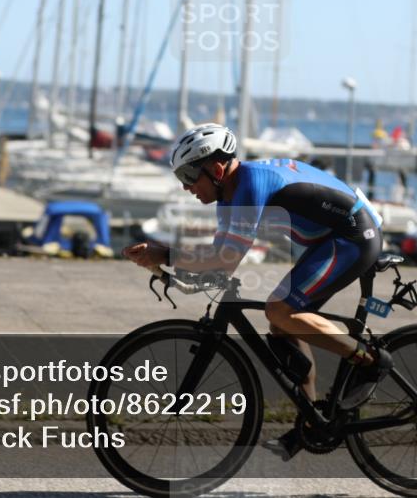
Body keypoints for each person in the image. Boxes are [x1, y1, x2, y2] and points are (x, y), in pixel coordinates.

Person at [122, 123, 391, 460]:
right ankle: (310, 423)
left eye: (190, 175)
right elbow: (221, 264)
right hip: (327, 239)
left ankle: (369, 361)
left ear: (217, 169)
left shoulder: (249, 185)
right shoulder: (229, 198)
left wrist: (166, 255)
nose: (185, 186)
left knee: (280, 309)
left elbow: (223, 260)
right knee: (282, 323)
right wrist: (166, 264)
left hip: (353, 235)